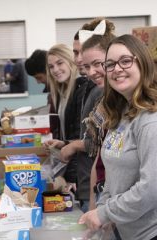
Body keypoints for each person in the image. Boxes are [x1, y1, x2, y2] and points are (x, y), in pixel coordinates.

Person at [79, 34, 157, 240]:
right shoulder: (123, 113)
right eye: (110, 64)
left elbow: (155, 187)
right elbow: (112, 174)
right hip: (132, 230)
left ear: (142, 64)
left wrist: (104, 213)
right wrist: (103, 211)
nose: (117, 69)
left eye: (125, 61)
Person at [57, 19, 116, 213]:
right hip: (93, 186)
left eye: (80, 51)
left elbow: (97, 144)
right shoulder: (89, 86)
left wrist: (73, 145)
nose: (78, 59)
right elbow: (94, 141)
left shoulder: (106, 93)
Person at [43, 43, 85, 188]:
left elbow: (80, 137)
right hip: (72, 168)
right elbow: (70, 137)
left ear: (71, 61)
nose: (55, 70)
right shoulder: (61, 92)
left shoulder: (81, 89)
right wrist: (60, 143)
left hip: (81, 173)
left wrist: (72, 178)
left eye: (60, 63)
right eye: (51, 66)